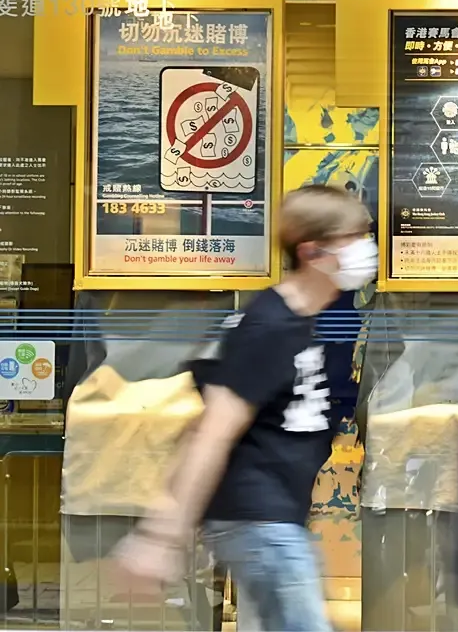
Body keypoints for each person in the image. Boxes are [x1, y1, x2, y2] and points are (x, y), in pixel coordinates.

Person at [115, 184, 377, 632]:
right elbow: (213, 432)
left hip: (275, 520)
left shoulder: (304, 320)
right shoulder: (269, 326)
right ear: (312, 252)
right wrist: (160, 536)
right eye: (353, 237)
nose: (366, 249)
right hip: (258, 519)